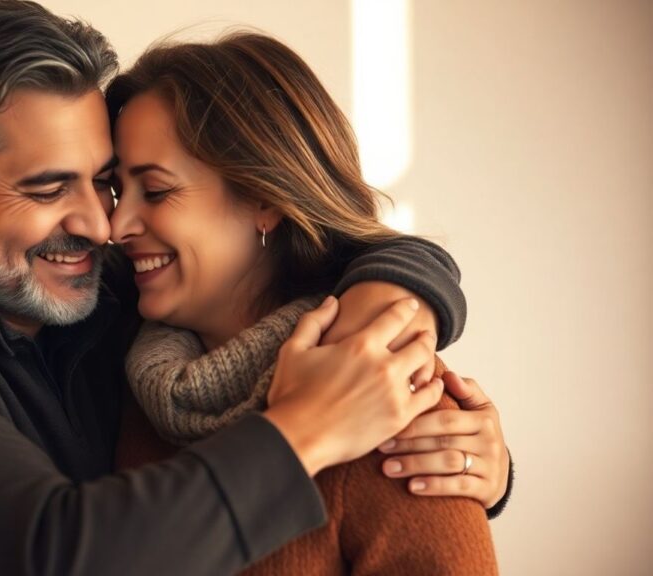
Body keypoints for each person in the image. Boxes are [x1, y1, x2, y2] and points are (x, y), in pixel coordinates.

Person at [0, 2, 502, 574]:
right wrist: (308, 428)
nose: (101, 225)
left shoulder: (117, 305)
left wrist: (399, 306)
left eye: (106, 182)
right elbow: (57, 558)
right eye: (49, 187)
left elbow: (328, 245)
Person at [108, 33, 503, 574]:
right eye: (115, 193)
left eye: (154, 191)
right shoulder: (114, 376)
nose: (115, 226)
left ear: (265, 199)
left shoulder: (391, 399)